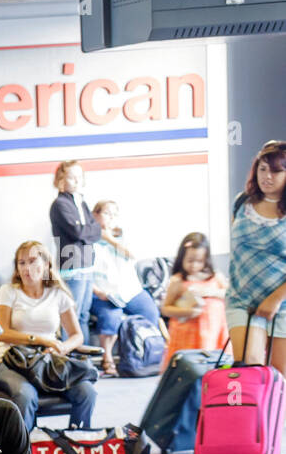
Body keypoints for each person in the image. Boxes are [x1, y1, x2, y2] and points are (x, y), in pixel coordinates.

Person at [0, 241, 97, 431]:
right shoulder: (8, 292)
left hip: (48, 362)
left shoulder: (58, 294)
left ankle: (75, 443)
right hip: (11, 361)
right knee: (25, 395)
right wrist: (41, 340)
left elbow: (76, 335)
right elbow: (2, 334)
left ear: (47, 264)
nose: (26, 268)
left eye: (32, 261)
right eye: (21, 263)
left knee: (87, 392)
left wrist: (63, 347)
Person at [226, 141, 286, 437]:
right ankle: (251, 439)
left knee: (279, 377)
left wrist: (275, 299)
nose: (268, 177)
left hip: (282, 305)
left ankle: (277, 441)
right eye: (263, 169)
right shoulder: (242, 203)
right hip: (241, 300)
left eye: (276, 171)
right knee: (249, 368)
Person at [86, 200, 164, 376]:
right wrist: (98, 292)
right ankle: (108, 359)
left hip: (130, 291)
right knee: (110, 316)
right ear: (95, 215)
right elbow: (82, 275)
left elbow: (132, 254)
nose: (111, 217)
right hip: (103, 294)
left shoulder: (123, 236)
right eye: (107, 213)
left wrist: (109, 239)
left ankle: (146, 352)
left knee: (150, 311)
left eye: (114, 213)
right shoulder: (86, 240)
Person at [48, 160, 125, 333]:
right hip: (72, 266)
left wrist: (90, 230)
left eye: (79, 177)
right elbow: (78, 232)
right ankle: (69, 357)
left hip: (87, 264)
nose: (76, 181)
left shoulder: (80, 201)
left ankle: (83, 356)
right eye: (71, 177)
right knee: (71, 316)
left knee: (83, 315)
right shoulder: (60, 204)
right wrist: (90, 230)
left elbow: (93, 228)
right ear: (61, 180)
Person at [161, 232, 229, 367]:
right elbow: (165, 308)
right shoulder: (178, 281)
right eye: (190, 261)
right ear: (182, 259)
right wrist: (187, 312)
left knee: (214, 365)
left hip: (214, 333)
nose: (194, 265)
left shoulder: (215, 277)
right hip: (187, 336)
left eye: (199, 261)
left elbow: (229, 293)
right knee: (190, 368)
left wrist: (212, 292)